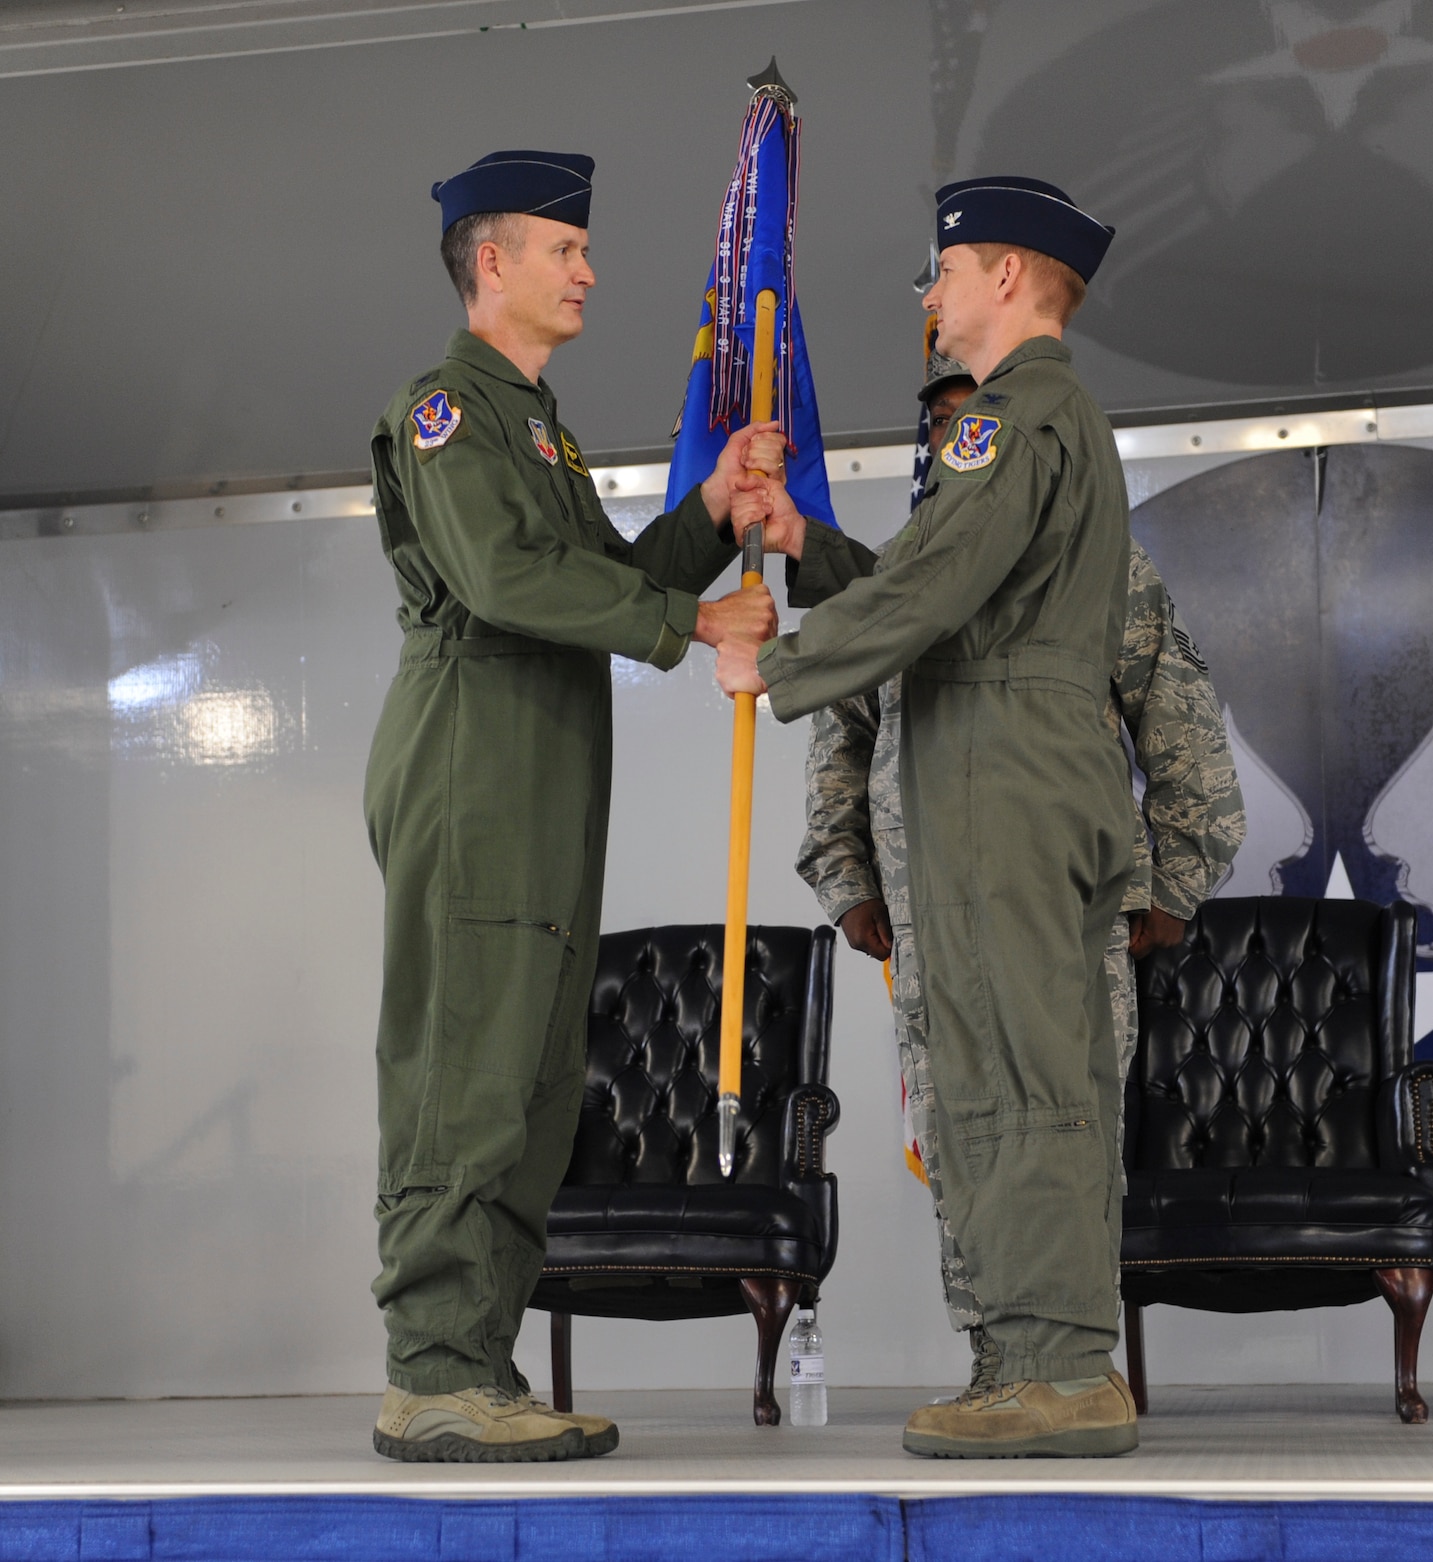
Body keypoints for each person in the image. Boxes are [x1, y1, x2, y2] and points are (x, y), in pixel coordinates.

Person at [364, 149, 781, 1462]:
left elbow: (597, 576)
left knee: (536, 1087)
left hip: (541, 774)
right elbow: (502, 579)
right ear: (494, 262)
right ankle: (431, 1367)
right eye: (564, 249)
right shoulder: (447, 409)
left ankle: (473, 1365)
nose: (589, 269)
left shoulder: (537, 428)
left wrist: (711, 515)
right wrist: (696, 620)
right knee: (467, 1077)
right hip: (475, 768)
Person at [720, 177, 1139, 1458]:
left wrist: (779, 664)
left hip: (1000, 766)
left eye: (944, 270)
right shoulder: (1036, 420)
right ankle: (1023, 1355)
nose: (928, 295)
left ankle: (1057, 1366)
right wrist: (809, 548)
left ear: (1006, 275)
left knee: (1020, 1070)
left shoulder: (1014, 417)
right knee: (1004, 1066)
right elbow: (943, 580)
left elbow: (945, 586)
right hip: (1005, 755)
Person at [795, 354, 1244, 1351]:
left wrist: (1170, 884)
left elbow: (1185, 734)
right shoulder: (894, 575)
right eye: (950, 432)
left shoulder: (1103, 570)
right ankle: (998, 1355)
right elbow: (843, 738)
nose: (967, 450)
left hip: (1059, 905)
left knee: (1064, 1138)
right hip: (930, 919)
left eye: (983, 429)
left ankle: (1069, 1357)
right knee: (959, 1136)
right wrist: (850, 879)